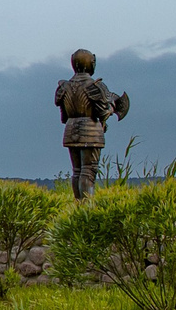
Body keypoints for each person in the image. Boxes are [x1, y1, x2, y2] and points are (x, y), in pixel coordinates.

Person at [54, 50, 129, 200]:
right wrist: (112, 107)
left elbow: (64, 116)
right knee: (88, 170)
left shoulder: (64, 86)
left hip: (71, 130)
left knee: (77, 171)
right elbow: (102, 113)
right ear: (91, 63)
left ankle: (78, 205)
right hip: (90, 131)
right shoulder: (95, 86)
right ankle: (87, 208)